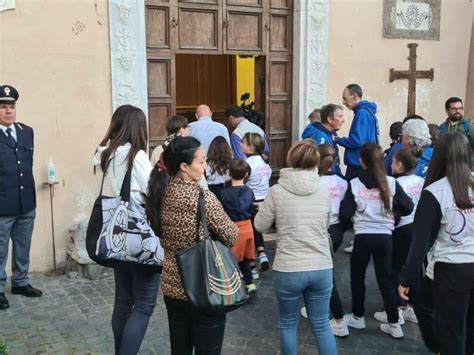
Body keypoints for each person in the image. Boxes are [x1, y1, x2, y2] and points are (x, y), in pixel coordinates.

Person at [146, 136, 238, 355]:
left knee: (180, 349)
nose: (205, 165)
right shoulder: (202, 198)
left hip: (172, 285)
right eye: (201, 161)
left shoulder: (160, 193)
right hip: (204, 285)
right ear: (184, 167)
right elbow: (232, 235)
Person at [254, 140, 337, 355]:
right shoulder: (324, 190)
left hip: (289, 266)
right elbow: (326, 224)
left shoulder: (277, 191)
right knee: (321, 324)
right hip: (321, 264)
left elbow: (260, 225)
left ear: (291, 159)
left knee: (288, 323)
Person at [399, 132, 474, 355]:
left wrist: (406, 277)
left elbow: (420, 243)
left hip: (451, 271)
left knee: (451, 334)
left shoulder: (436, 191)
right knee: (469, 330)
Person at [93, 104, 159, 354]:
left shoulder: (105, 154)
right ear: (138, 128)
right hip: (138, 236)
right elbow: (152, 192)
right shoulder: (136, 157)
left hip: (114, 237)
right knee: (143, 304)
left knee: (123, 300)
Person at [340, 143, 414, 339]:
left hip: (363, 236)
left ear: (361, 161)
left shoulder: (354, 183)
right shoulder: (391, 182)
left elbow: (345, 213)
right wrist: (393, 214)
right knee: (386, 279)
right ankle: (394, 323)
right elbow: (408, 207)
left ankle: (357, 316)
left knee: (357, 277)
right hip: (385, 237)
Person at [300, 144, 350, 338]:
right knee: (319, 269)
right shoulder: (342, 182)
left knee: (324, 273)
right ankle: (315, 306)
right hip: (336, 230)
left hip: (320, 229)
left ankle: (338, 319)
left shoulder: (314, 183)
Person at [0, 85, 41, 312]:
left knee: (23, 245)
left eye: (12, 106)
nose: (9, 111)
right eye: (4, 107)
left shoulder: (27, 132)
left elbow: (27, 165)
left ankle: (21, 282)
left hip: (26, 201)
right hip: (2, 204)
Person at [373, 147, 424, 326]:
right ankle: (411, 305)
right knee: (414, 267)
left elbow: (394, 209)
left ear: (399, 164)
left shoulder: (396, 184)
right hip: (418, 228)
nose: (391, 164)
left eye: (393, 161)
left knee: (394, 267)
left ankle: (395, 309)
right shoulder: (421, 181)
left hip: (401, 229)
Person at [218, 159, 257, 295]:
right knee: (245, 259)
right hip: (247, 227)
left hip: (232, 227)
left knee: (230, 258)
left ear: (229, 172)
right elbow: (252, 210)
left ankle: (231, 285)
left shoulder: (224, 193)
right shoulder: (249, 191)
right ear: (246, 174)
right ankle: (250, 283)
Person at [241, 132, 272, 277]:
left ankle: (252, 267)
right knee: (256, 230)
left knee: (250, 233)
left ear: (251, 146)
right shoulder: (265, 164)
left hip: (250, 201)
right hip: (264, 201)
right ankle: (262, 253)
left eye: (243, 142)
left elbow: (242, 182)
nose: (240, 144)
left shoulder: (247, 164)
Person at [336, 84, 380, 180]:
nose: (343, 102)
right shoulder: (365, 112)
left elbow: (357, 141)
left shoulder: (362, 113)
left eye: (345, 98)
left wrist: (338, 140)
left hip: (358, 165)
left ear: (354, 97)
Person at [301, 104, 345, 177]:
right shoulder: (321, 136)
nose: (343, 120)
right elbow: (321, 162)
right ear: (329, 119)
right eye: (340, 116)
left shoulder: (328, 134)